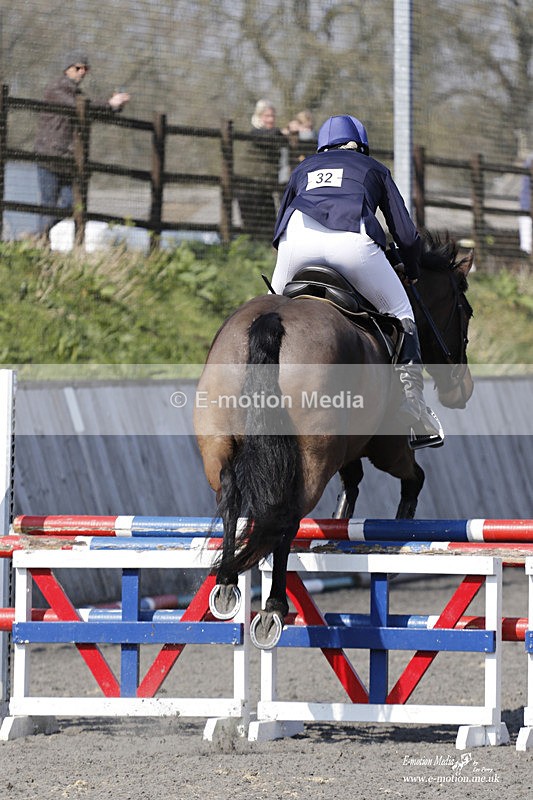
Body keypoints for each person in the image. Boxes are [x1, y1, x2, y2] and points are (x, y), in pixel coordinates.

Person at [271, 114, 443, 450]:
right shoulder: (373, 168)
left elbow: (279, 227)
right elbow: (406, 235)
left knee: (266, 312)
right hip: (352, 246)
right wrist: (411, 269)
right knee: (402, 313)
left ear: (322, 145)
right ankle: (414, 409)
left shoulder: (303, 169)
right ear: (361, 144)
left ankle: (244, 389)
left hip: (297, 244)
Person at [34, 50, 130, 240]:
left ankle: (40, 237)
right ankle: (40, 240)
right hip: (49, 156)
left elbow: (89, 109)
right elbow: (79, 106)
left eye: (86, 69)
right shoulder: (56, 89)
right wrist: (109, 104)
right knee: (49, 204)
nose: (82, 72)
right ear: (67, 69)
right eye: (78, 68)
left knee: (72, 204)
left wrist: (114, 106)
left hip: (68, 160)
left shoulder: (78, 94)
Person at [236, 99, 288, 240]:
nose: (271, 119)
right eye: (267, 116)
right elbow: (269, 137)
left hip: (265, 188)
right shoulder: (257, 133)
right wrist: (284, 132)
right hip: (248, 187)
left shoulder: (275, 136)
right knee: (253, 228)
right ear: (259, 116)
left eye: (273, 116)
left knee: (270, 227)